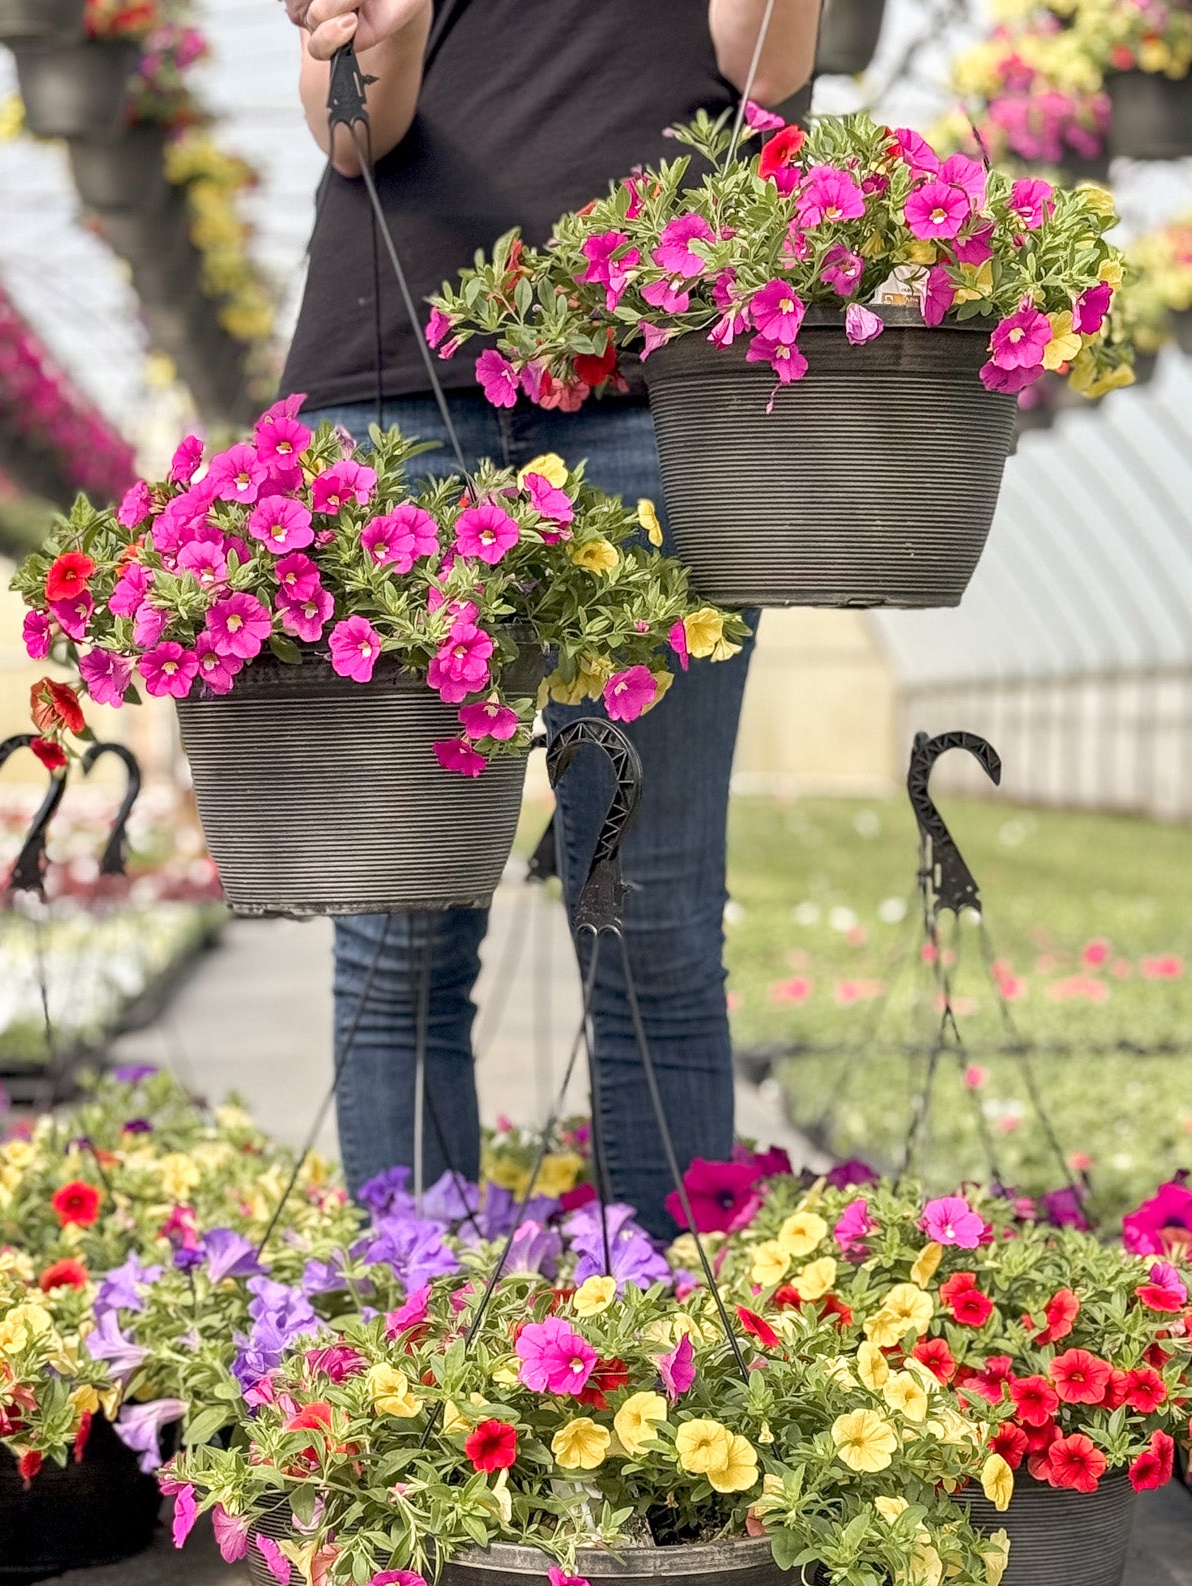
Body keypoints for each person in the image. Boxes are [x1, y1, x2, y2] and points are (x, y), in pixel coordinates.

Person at [280, 0, 820, 1237]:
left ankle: (673, 1366)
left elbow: (763, 72)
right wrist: (391, 37)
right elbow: (351, 132)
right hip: (396, 377)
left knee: (655, 921)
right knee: (398, 931)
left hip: (658, 384)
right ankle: (403, 1363)